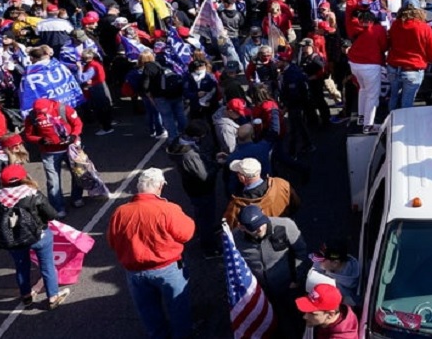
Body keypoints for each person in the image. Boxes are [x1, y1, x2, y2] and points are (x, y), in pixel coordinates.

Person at [107, 167, 195, 339]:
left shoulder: (120, 212)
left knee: (148, 311)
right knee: (178, 307)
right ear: (160, 186)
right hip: (168, 269)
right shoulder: (168, 209)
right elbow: (187, 233)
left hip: (134, 271)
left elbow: (112, 241)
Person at [0, 165, 69, 309]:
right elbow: (52, 215)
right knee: (47, 266)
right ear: (24, 178)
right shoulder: (33, 194)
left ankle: (26, 296)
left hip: (14, 239)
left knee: (21, 267)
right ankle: (53, 297)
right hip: (39, 236)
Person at [234, 205, 309, 336]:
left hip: (288, 286)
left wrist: (297, 279)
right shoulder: (235, 239)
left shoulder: (285, 225)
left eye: (261, 223)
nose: (260, 228)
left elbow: (301, 252)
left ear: (263, 213)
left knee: (297, 318)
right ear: (241, 227)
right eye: (253, 228)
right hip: (262, 292)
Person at [166, 120, 220, 258]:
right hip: (201, 189)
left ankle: (203, 234)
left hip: (191, 186)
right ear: (196, 136)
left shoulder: (178, 142)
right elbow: (204, 176)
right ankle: (209, 247)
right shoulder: (189, 156)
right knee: (206, 216)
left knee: (201, 213)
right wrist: (217, 165)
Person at [22, 97, 85, 216]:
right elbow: (29, 135)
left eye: (44, 111)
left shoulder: (63, 109)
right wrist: (40, 140)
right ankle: (58, 207)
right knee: (53, 181)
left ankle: (77, 198)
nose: (42, 114)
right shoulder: (32, 116)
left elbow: (78, 123)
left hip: (70, 149)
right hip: (49, 152)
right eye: (39, 112)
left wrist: (73, 135)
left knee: (77, 174)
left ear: (51, 106)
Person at [385, 5, 432, 112]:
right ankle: (402, 125)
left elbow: (389, 43)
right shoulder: (424, 27)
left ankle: (391, 119)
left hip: (393, 67)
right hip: (412, 69)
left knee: (394, 97)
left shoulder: (396, 24)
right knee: (407, 101)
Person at [345, 7, 387, 134]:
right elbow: (384, 46)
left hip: (354, 64)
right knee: (372, 96)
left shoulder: (354, 27)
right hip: (369, 66)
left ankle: (362, 118)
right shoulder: (377, 29)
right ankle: (368, 126)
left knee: (362, 90)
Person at [224, 156, 300, 226]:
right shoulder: (281, 183)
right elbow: (295, 203)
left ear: (242, 178)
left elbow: (229, 227)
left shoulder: (237, 207)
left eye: (238, 173)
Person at [308, 238, 362, 308]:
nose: (317, 261)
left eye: (321, 259)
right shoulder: (326, 265)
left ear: (335, 263)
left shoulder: (344, 292)